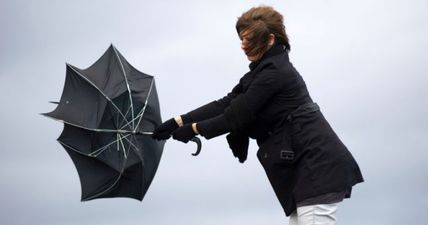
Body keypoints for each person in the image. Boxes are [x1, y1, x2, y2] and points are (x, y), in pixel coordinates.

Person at [152, 5, 363, 225]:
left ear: (270, 39)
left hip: (317, 168)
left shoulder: (275, 74)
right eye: (242, 39)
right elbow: (225, 104)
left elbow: (234, 116)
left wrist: (193, 129)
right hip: (305, 172)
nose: (243, 45)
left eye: (249, 39)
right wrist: (177, 122)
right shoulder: (260, 72)